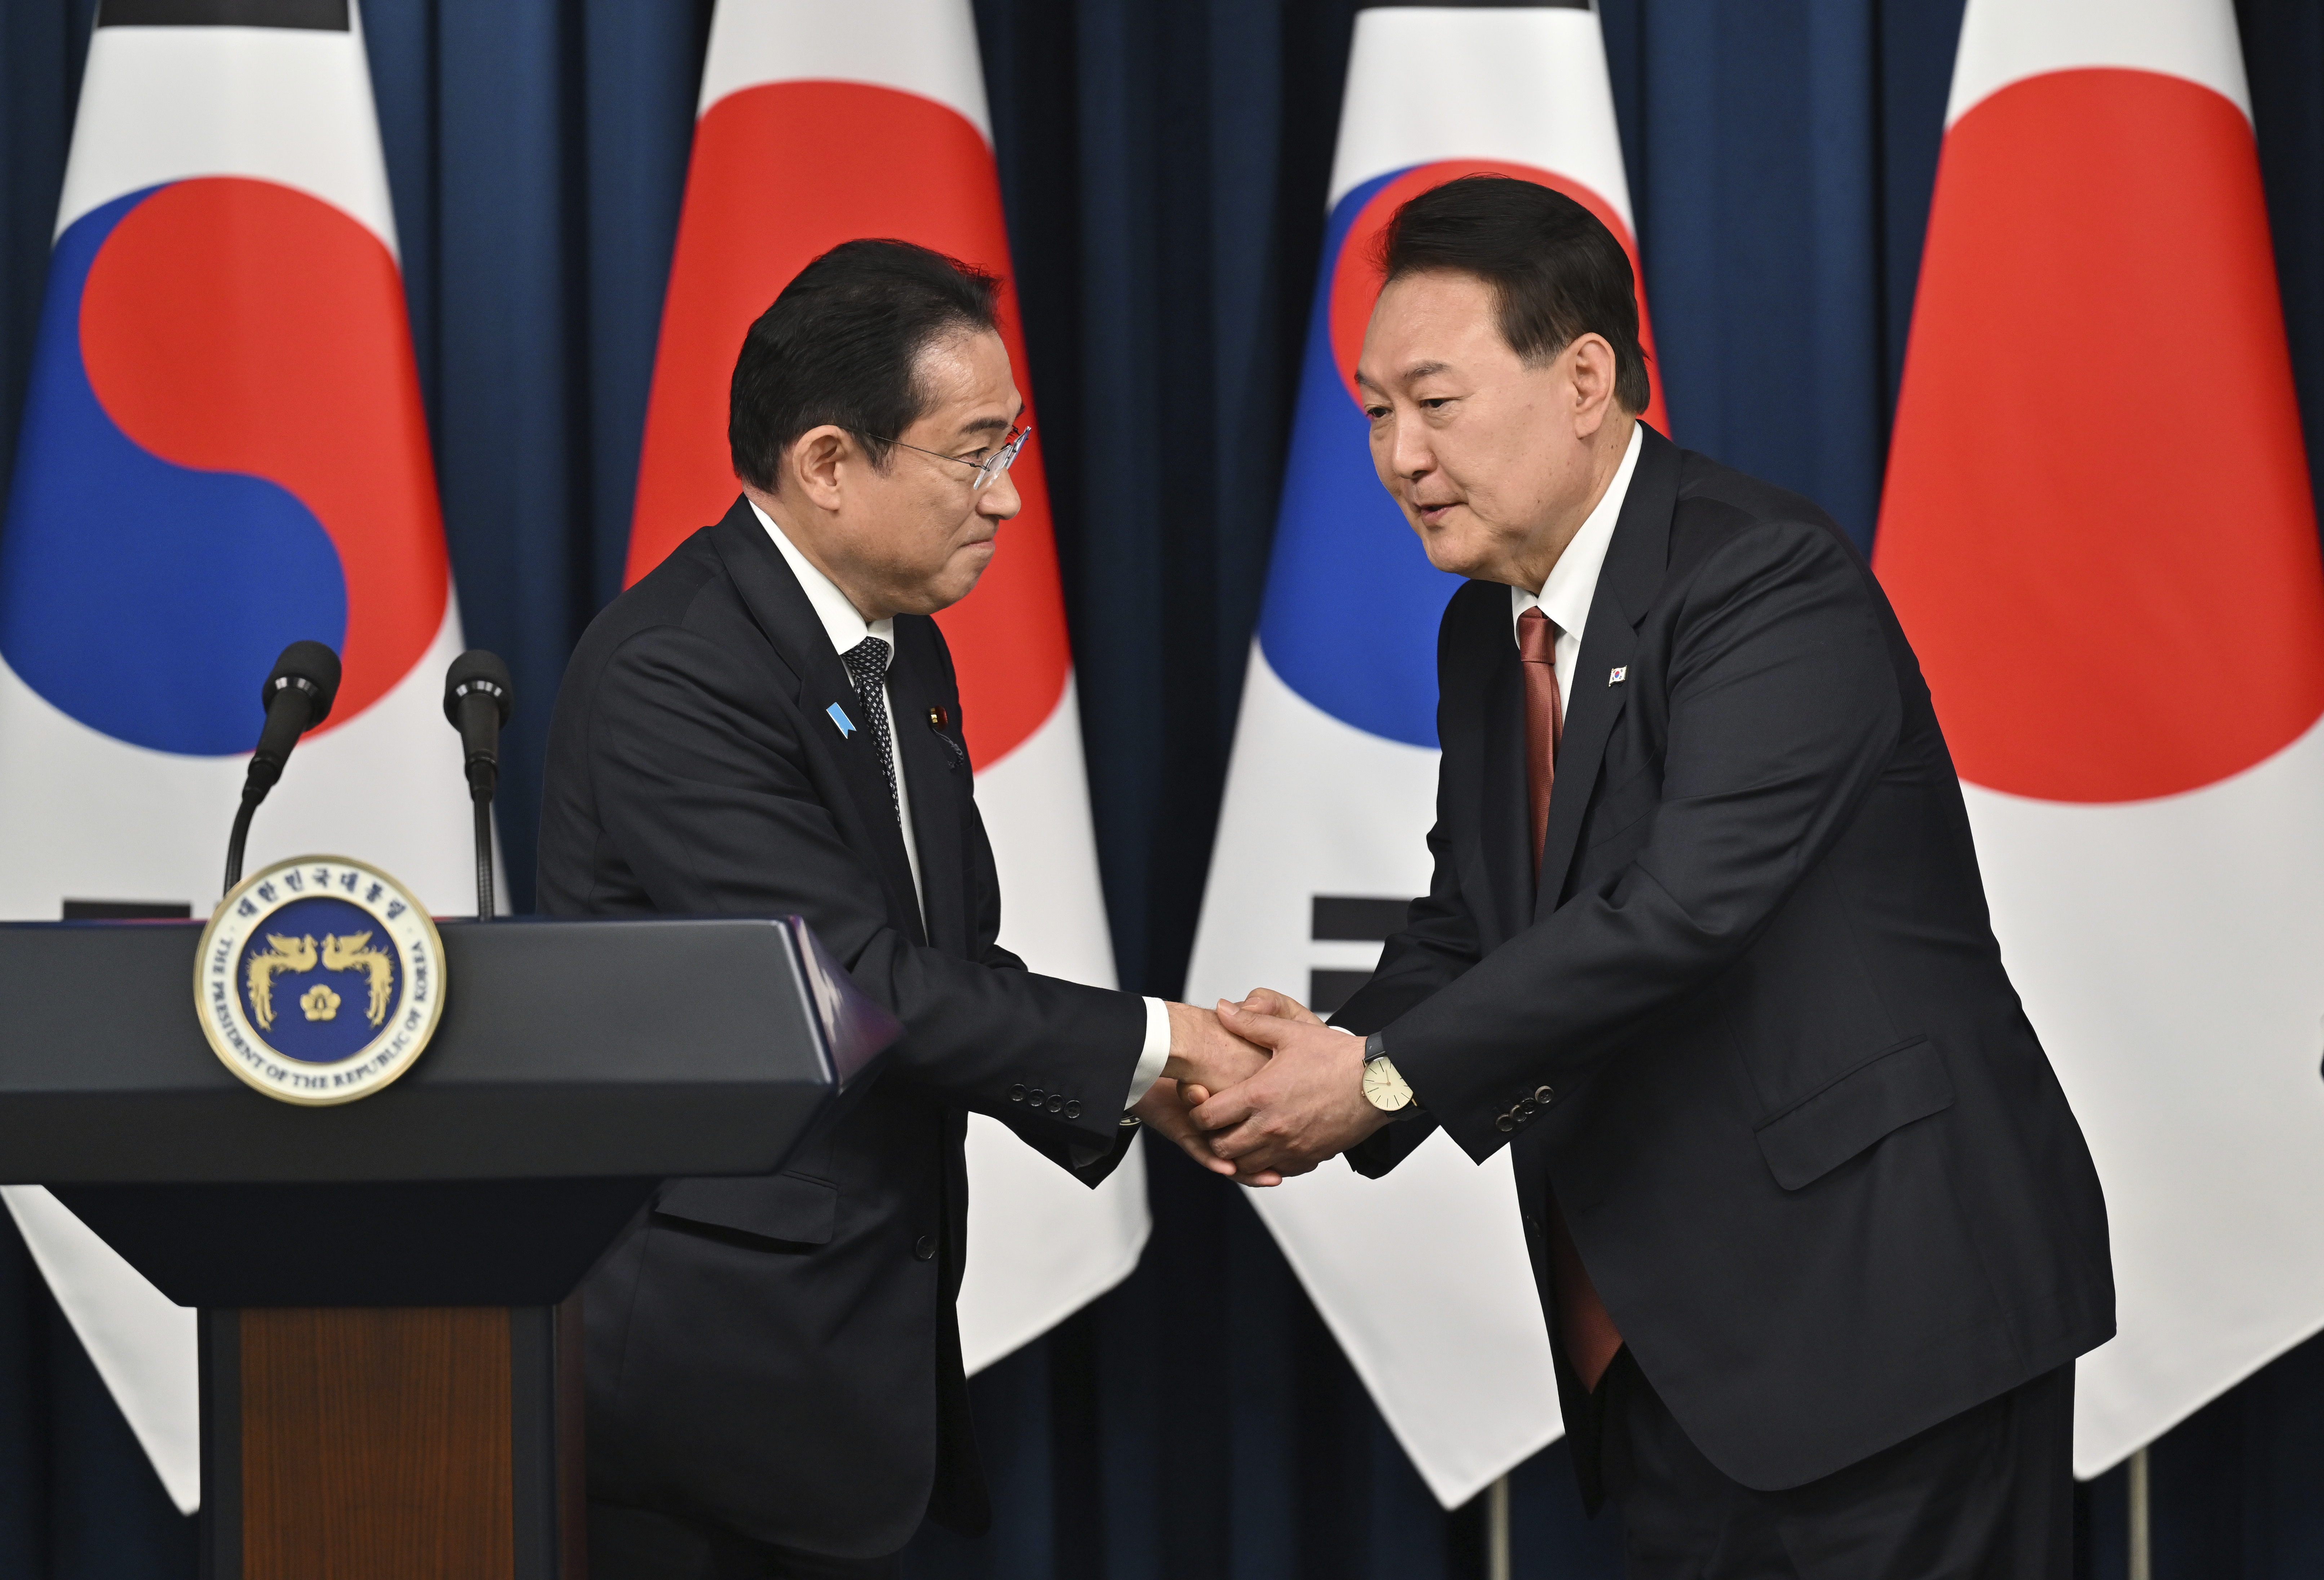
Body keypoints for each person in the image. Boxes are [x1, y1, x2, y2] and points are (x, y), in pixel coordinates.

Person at [1192, 177, 2114, 1579]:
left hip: (1887, 1320)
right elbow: (1471, 921)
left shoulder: (1763, 580)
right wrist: (1305, 1073)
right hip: (1672, 1351)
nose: (1398, 456)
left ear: (1583, 380)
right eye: (1374, 412)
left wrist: (1376, 1080)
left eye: (1434, 403)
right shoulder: (1482, 636)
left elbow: (1678, 914)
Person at [536, 239, 1257, 1578]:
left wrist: (1144, 1083)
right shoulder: (675, 673)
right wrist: (1162, 1040)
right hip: (700, 1399)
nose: (1010, 497)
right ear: (827, 464)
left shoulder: (895, 647)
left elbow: (947, 960)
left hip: (843, 1372)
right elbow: (856, 990)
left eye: (1011, 445)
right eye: (976, 453)